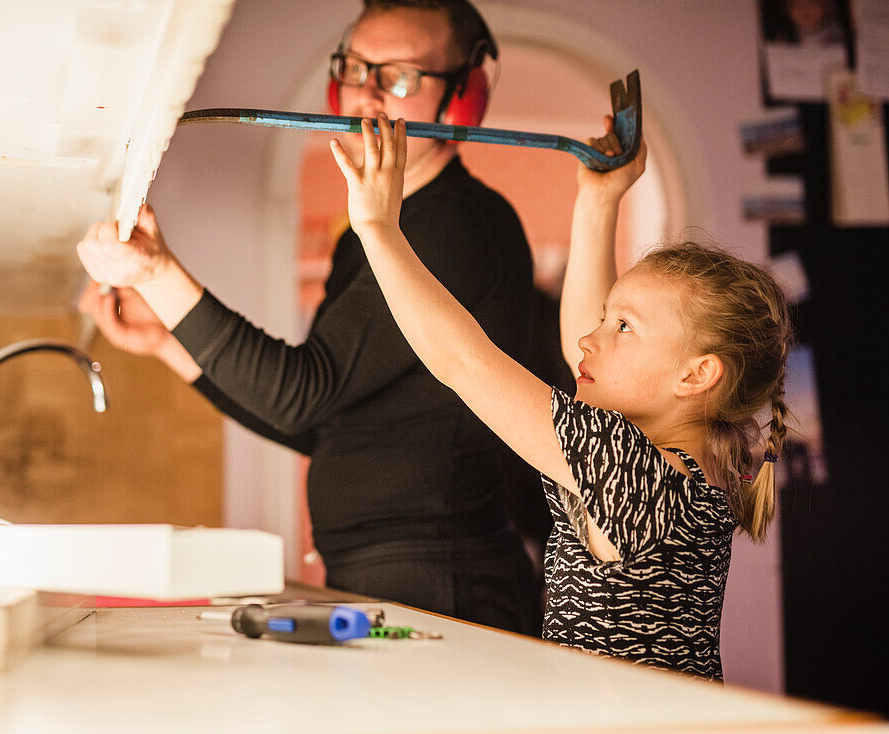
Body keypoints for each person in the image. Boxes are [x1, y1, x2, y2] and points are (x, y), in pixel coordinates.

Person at [75, 0, 549, 634]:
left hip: (443, 578)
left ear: (461, 101)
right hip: (391, 569)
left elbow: (303, 393)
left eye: (400, 76)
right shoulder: (375, 231)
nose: (367, 94)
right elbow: (324, 423)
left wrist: (158, 276)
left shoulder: (454, 226)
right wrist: (167, 344)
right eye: (355, 68)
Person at [328, 113, 792, 679]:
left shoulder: (634, 470)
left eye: (623, 326)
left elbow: (464, 363)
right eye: (608, 317)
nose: (588, 339)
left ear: (696, 376)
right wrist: (599, 202)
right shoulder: (688, 464)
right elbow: (586, 359)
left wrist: (379, 229)